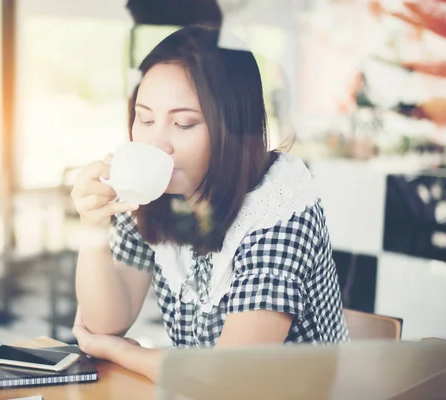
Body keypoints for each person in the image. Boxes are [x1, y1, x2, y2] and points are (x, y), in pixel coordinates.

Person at [70, 25, 348, 382]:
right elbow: (103, 323)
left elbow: (229, 378)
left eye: (184, 124)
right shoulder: (154, 189)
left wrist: (120, 351)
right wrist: (91, 224)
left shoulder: (278, 209)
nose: (157, 144)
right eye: (145, 118)